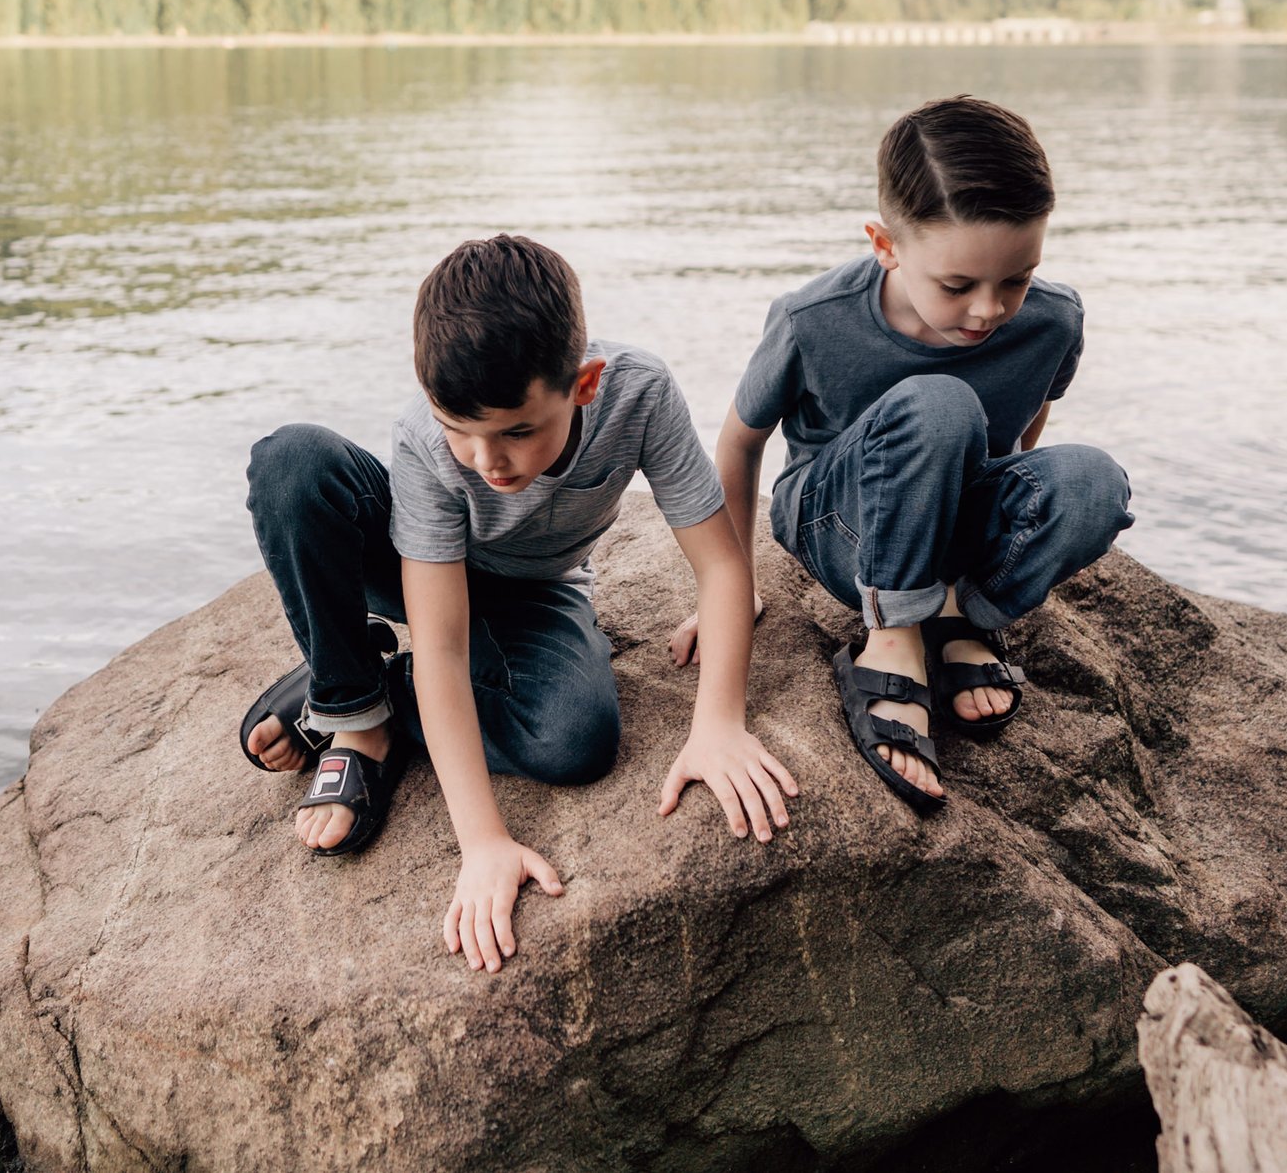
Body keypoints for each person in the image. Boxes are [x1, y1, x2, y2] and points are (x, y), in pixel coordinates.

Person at [238, 234, 797, 972]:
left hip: (536, 590)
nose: (485, 461)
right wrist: (483, 843)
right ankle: (353, 715)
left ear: (585, 384)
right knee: (292, 462)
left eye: (517, 432)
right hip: (417, 570)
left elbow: (723, 567)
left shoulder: (640, 393)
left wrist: (719, 722)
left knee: (574, 742)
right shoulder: (428, 443)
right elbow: (439, 643)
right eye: (458, 429)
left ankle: (354, 673)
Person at [694, 96, 1133, 813]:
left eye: (1016, 279)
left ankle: (958, 615)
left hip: (951, 519)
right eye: (957, 286)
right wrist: (730, 587)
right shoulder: (813, 321)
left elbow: (1030, 424)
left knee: (1094, 483)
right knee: (940, 401)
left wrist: (1003, 528)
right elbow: (741, 446)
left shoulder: (1054, 320)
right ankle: (892, 639)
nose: (989, 311)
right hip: (843, 523)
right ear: (885, 245)